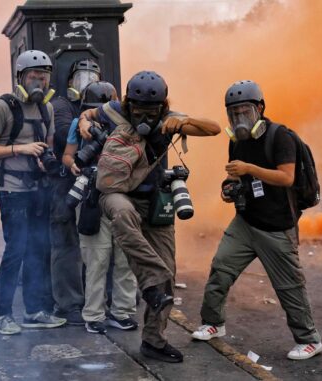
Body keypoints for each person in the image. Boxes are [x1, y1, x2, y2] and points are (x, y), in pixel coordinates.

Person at [81, 71, 221, 362]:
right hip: (117, 192)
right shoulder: (114, 111)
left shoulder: (170, 117)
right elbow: (89, 114)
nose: (144, 117)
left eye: (151, 111)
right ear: (129, 103)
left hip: (155, 198)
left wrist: (183, 123)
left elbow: (214, 128)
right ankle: (152, 281)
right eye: (139, 110)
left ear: (163, 106)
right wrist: (84, 122)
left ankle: (154, 340)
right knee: (122, 214)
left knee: (168, 273)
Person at [191, 80, 322, 361]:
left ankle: (309, 340)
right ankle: (214, 323)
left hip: (276, 226)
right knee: (220, 270)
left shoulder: (280, 137)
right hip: (245, 221)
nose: (239, 119)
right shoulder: (236, 142)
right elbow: (234, 176)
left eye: (244, 111)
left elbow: (287, 177)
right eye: (234, 113)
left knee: (289, 286)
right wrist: (229, 188)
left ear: (260, 108)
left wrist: (249, 168)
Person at [0, 50, 66, 335]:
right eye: (33, 75)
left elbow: (49, 145)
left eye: (43, 75)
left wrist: (45, 159)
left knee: (37, 251)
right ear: (20, 77)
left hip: (37, 188)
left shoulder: (47, 109)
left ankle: (33, 311)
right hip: (11, 190)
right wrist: (20, 149)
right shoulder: (3, 108)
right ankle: (1, 314)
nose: (39, 81)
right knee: (15, 250)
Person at [62, 81, 139, 334]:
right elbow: (67, 154)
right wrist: (73, 164)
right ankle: (94, 315)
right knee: (96, 259)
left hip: (122, 197)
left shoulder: (126, 127)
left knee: (125, 258)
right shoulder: (79, 125)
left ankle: (122, 312)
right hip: (90, 198)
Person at [47, 59, 102, 324]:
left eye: (94, 76)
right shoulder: (61, 106)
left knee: (99, 245)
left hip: (97, 185)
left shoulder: (102, 107)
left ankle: (102, 298)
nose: (88, 81)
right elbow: (60, 136)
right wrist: (83, 119)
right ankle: (68, 304)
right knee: (66, 245)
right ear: (70, 81)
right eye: (82, 76)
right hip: (66, 183)